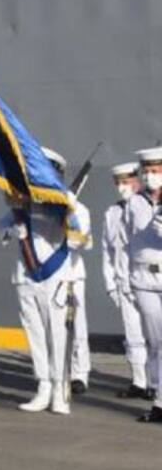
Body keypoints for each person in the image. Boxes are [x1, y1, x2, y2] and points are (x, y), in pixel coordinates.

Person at [0, 151, 87, 415]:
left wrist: (65, 220)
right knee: (35, 334)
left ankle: (60, 390)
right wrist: (14, 229)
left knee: (57, 335)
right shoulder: (22, 204)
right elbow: (0, 230)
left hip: (56, 277)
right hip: (26, 276)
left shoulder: (70, 203)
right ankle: (43, 386)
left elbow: (82, 240)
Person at [104, 161, 155, 400]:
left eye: (127, 182)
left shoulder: (150, 206)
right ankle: (139, 381)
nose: (123, 187)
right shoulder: (114, 212)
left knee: (156, 338)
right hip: (126, 281)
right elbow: (110, 250)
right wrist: (111, 283)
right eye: (119, 183)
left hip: (151, 280)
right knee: (133, 336)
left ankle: (156, 384)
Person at [47, 147, 93, 396]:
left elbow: (82, 241)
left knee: (77, 326)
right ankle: (56, 372)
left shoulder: (79, 209)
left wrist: (67, 219)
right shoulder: (39, 207)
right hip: (47, 274)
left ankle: (79, 373)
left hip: (72, 273)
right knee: (52, 326)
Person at [125, 147, 162, 423]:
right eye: (147, 170)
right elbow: (127, 243)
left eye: (156, 170)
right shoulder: (134, 203)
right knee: (156, 342)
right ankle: (159, 401)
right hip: (144, 280)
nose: (150, 175)